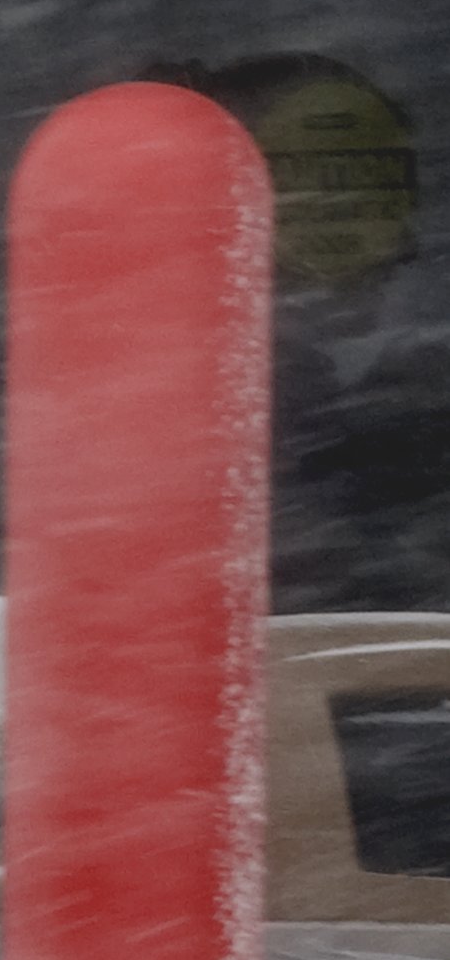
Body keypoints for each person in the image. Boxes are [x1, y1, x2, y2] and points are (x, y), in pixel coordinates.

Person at [160, 51, 450, 611]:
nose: (336, 200)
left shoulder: (427, 365)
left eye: (364, 170)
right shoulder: (157, 386)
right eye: (296, 174)